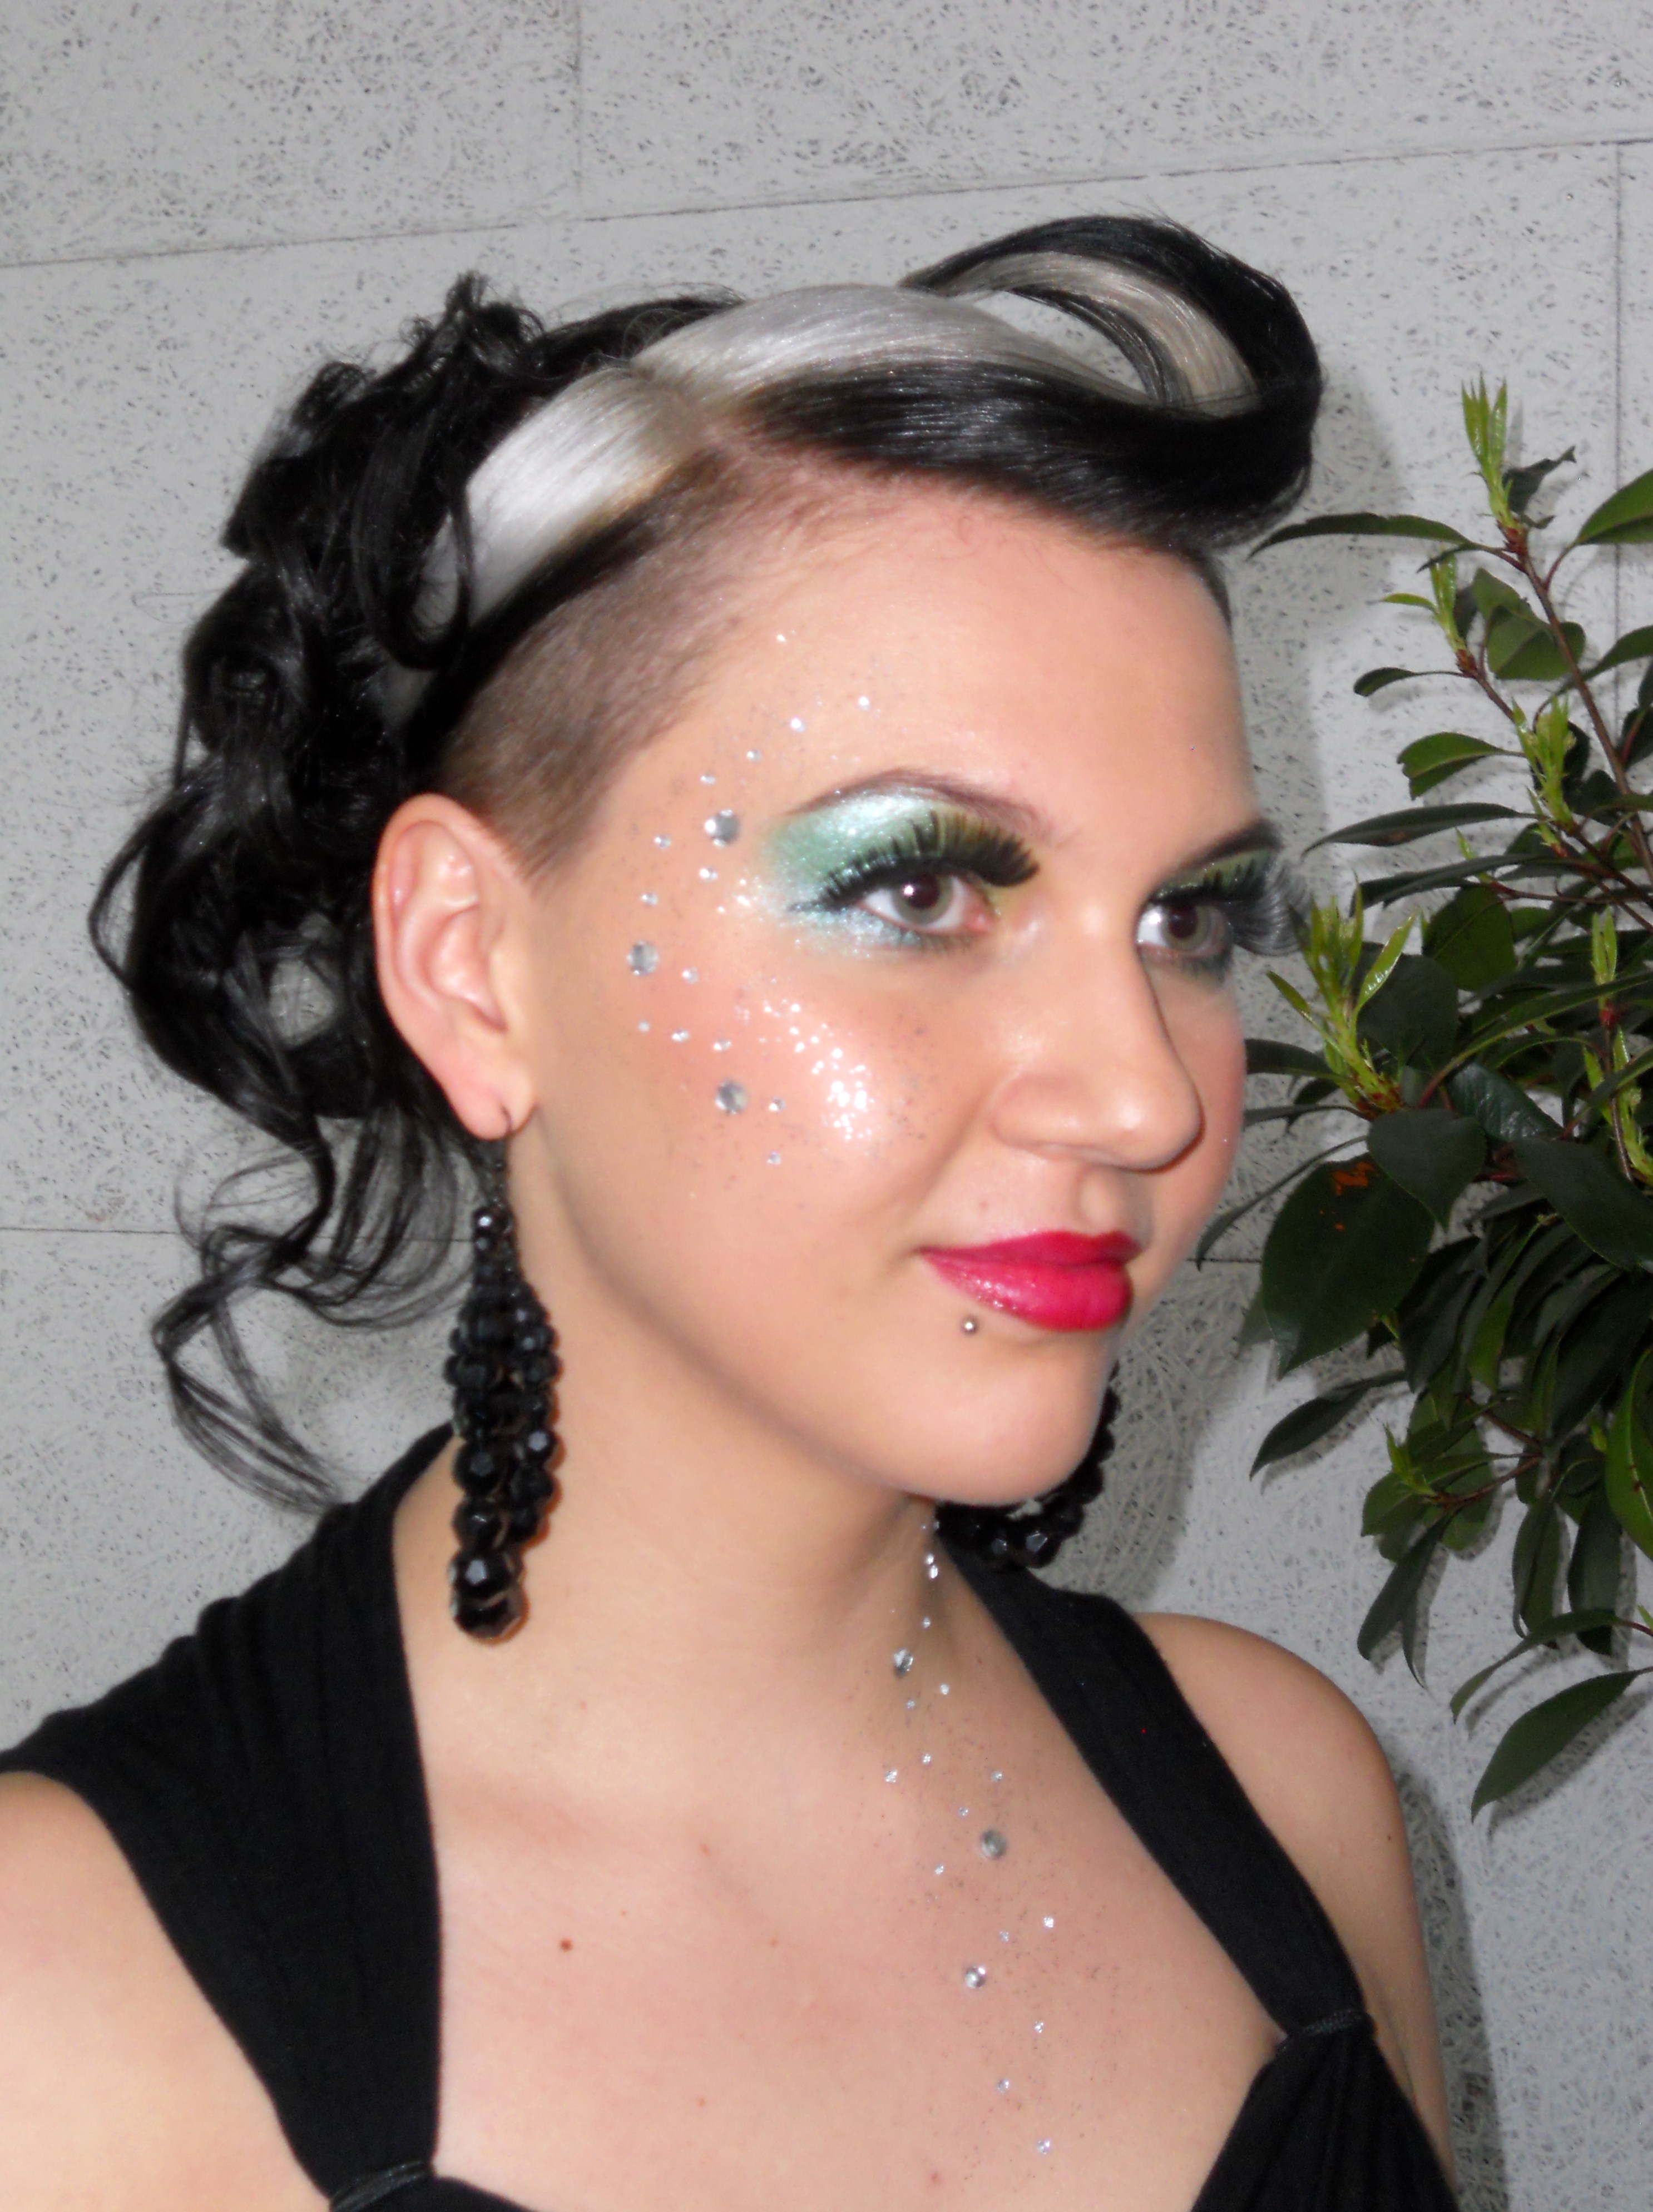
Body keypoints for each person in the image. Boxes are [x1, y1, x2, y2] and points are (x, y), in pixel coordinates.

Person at [0, 217, 1456, 2209]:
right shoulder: (57, 2005)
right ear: (469, 966)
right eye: (920, 889)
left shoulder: (1286, 1793)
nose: (1143, 1093)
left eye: (1183, 919)